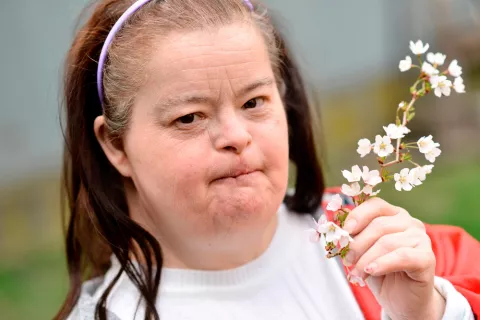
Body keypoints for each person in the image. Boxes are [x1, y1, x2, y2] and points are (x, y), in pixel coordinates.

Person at [55, 0, 480, 319]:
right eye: (189, 117)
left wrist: (425, 313)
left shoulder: (399, 254)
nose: (237, 136)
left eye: (254, 101)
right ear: (115, 145)